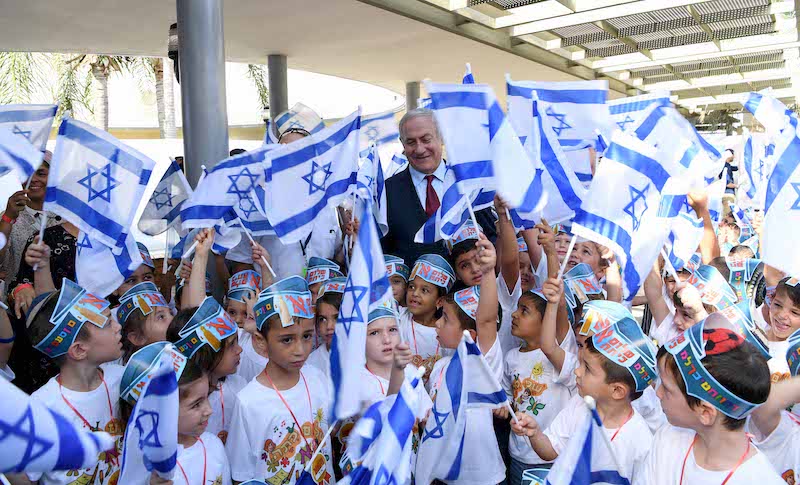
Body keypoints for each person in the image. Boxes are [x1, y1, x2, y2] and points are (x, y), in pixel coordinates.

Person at [636, 313, 783, 484]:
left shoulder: (759, 479)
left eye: (667, 389)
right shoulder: (668, 437)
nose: (658, 393)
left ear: (705, 412)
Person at [511, 313, 656, 484]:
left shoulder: (640, 441)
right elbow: (550, 450)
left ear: (617, 390)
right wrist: (534, 433)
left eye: (587, 368)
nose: (577, 372)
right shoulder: (579, 405)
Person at [225, 276, 334, 484]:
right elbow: (241, 475)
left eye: (307, 336)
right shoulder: (248, 402)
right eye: (287, 339)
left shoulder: (316, 378)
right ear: (261, 341)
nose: (300, 350)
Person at [24, 279, 125, 485]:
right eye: (107, 322)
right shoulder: (41, 410)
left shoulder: (121, 378)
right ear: (79, 350)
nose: (118, 326)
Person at [423, 232, 504, 484]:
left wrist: (489, 272)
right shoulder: (439, 367)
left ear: (469, 335)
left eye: (445, 318)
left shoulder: (479, 363)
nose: (436, 324)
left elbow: (486, 320)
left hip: (482, 478)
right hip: (445, 475)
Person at [382, 108, 496, 266]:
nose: (420, 149)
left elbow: (493, 236)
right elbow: (383, 251)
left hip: (471, 289)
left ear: (441, 138)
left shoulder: (468, 183)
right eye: (411, 142)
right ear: (402, 144)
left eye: (426, 139)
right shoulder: (387, 192)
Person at [119, 343, 232, 485]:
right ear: (161, 413)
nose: (209, 410)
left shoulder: (214, 445)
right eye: (196, 404)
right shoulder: (147, 472)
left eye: (206, 397)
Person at [0, 151, 60, 295]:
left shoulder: (68, 217)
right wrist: (8, 219)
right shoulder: (7, 216)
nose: (33, 179)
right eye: (27, 174)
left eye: (41, 173)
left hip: (64, 303)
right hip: (20, 304)